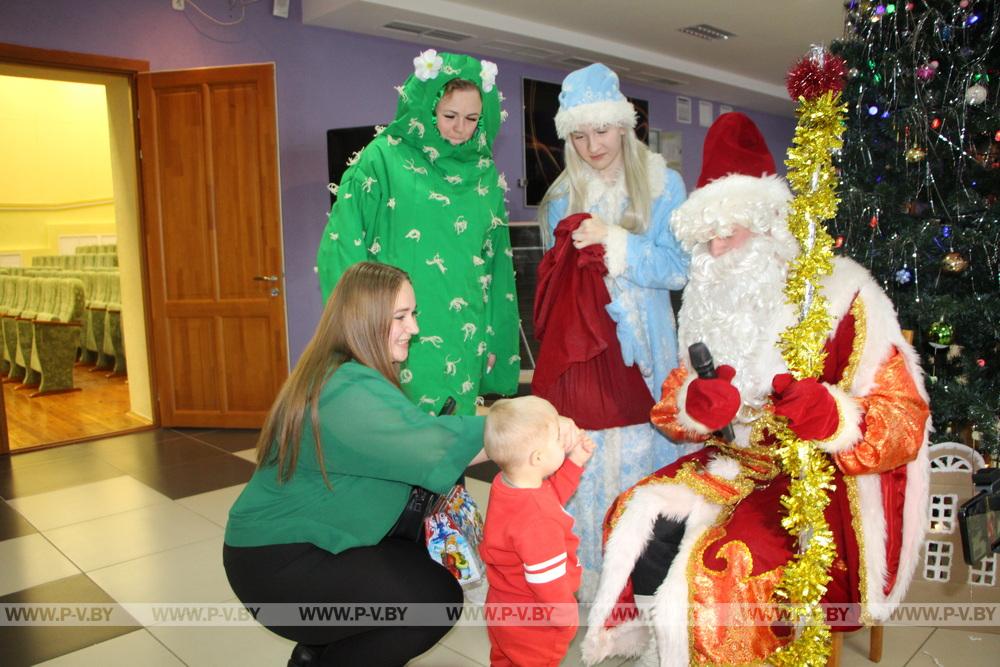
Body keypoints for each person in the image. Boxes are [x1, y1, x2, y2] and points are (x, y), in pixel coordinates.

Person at [582, 113, 931, 666]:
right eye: (706, 238)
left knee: (725, 566)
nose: (717, 252)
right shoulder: (705, 298)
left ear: (769, 226)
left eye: (729, 233)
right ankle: (662, 650)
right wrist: (693, 406)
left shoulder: (840, 293)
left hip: (812, 485)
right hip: (730, 463)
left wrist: (833, 415)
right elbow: (673, 405)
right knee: (632, 514)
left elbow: (903, 420)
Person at [224, 261, 488, 667]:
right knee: (432, 602)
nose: (414, 328)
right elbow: (432, 448)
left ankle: (317, 654)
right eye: (401, 316)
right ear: (364, 320)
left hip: (295, 548)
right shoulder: (346, 387)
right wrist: (524, 429)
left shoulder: (343, 373)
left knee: (422, 578)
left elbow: (406, 440)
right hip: (279, 566)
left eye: (413, 314)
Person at [534, 63, 690, 581]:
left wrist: (618, 244)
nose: (591, 145)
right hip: (584, 358)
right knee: (585, 466)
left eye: (600, 130)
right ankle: (590, 591)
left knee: (646, 478)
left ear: (624, 124)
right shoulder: (560, 198)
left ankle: (642, 592)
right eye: (578, 135)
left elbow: (680, 268)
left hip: (647, 357)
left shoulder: (664, 185)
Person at [316, 49, 519, 417]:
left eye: (472, 118)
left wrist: (491, 334)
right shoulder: (382, 159)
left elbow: (495, 265)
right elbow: (342, 247)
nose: (460, 128)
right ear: (426, 108)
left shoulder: (484, 174)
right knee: (396, 438)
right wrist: (360, 333)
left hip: (463, 332)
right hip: (393, 332)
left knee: (450, 442)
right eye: (450, 116)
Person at [480, 395, 595, 667]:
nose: (563, 443)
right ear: (538, 457)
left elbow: (549, 497)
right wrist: (567, 620)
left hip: (503, 607)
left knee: (504, 659)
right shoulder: (539, 524)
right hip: (534, 623)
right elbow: (548, 585)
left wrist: (575, 461)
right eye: (558, 438)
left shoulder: (507, 485)